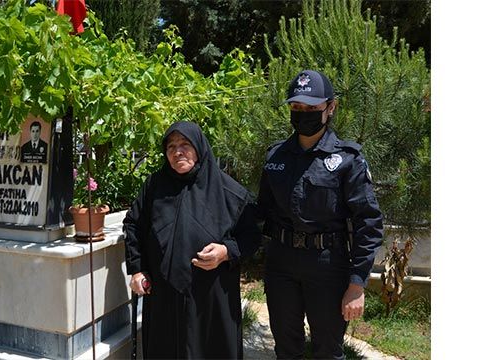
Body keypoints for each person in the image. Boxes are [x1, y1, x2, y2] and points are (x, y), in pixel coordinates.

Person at [257, 70, 383, 359]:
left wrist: (357, 283)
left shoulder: (347, 159)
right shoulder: (275, 157)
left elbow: (369, 222)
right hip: (281, 264)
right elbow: (260, 212)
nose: (303, 114)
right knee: (286, 348)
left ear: (331, 107)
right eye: (297, 108)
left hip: (328, 265)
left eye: (312, 108)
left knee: (328, 350)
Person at [123, 121, 260, 359]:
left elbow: (252, 236)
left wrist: (226, 252)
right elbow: (133, 224)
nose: (177, 152)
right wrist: (137, 270)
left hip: (210, 301)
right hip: (164, 297)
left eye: (185, 144)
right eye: (171, 146)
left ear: (199, 147)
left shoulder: (230, 193)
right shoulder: (154, 187)